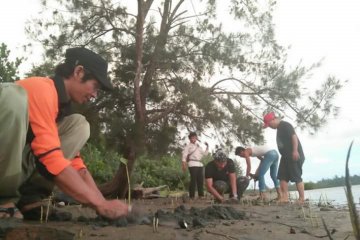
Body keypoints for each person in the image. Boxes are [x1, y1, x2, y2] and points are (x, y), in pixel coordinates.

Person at [0, 47, 130, 220]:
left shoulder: (59, 109)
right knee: (12, 98)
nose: (94, 94)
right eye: (95, 86)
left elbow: (73, 165)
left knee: (79, 125)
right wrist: (99, 204)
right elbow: (51, 159)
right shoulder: (42, 89)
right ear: (78, 72)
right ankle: (3, 200)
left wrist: (102, 203)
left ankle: (29, 198)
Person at [263, 112, 305, 203]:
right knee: (282, 176)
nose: (270, 127)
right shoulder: (279, 128)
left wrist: (295, 150)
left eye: (269, 125)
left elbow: (294, 137)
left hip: (294, 155)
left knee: (296, 176)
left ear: (273, 119)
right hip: (285, 156)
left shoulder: (285, 125)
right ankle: (285, 198)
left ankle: (302, 198)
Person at [181, 132, 208, 199]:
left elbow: (205, 154)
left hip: (199, 164)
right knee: (193, 180)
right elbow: (184, 156)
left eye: (195, 137)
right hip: (192, 164)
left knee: (200, 180)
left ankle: (201, 195)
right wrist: (184, 165)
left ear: (196, 138)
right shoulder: (188, 146)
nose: (193, 139)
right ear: (190, 139)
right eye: (192, 138)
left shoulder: (198, 146)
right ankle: (192, 195)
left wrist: (207, 147)